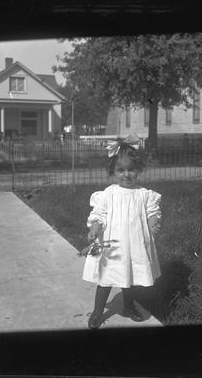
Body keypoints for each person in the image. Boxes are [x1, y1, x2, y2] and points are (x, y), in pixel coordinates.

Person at [82, 134, 162, 329]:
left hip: (134, 245)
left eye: (131, 170)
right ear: (113, 173)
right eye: (121, 170)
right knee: (106, 279)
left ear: (138, 170)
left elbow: (153, 211)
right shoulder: (108, 194)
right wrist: (94, 228)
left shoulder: (144, 194)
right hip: (112, 246)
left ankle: (128, 307)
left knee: (130, 278)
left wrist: (153, 223)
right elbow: (99, 214)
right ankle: (97, 312)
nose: (126, 174)